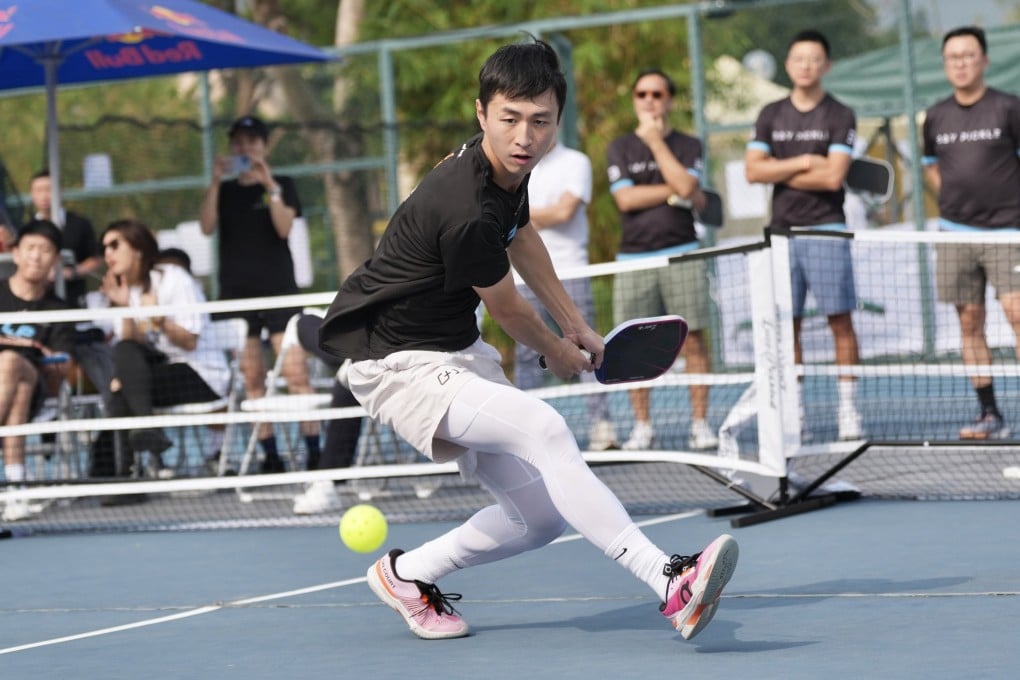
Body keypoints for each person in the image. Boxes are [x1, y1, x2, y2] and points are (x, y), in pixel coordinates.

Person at [319, 39, 737, 641]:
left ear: (556, 122)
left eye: (540, 121)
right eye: (510, 119)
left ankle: (406, 575)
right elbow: (510, 307)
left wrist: (577, 325)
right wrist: (558, 350)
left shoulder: (505, 175)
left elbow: (523, 237)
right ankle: (668, 579)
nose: (524, 136)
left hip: (454, 352)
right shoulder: (463, 205)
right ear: (482, 112)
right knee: (546, 429)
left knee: (538, 519)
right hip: (396, 362)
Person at [744, 29, 863, 441]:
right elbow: (753, 170)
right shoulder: (771, 113)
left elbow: (834, 178)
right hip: (780, 237)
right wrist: (808, 160)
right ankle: (794, 412)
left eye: (815, 59)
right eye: (799, 58)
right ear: (789, 64)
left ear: (825, 65)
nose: (806, 65)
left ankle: (848, 408)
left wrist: (785, 166)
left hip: (827, 231)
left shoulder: (840, 114)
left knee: (840, 322)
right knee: (786, 326)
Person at [198, 115, 320, 473]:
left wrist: (269, 185)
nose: (244, 148)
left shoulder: (282, 184)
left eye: (252, 142)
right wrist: (216, 181)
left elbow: (284, 228)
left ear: (265, 147)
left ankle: (314, 450)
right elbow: (206, 226)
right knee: (252, 378)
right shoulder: (225, 191)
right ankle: (269, 453)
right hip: (237, 298)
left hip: (280, 293)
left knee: (296, 374)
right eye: (238, 142)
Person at [606, 68, 718, 451]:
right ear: (635, 100)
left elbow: (688, 187)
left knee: (695, 341)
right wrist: (670, 189)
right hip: (633, 259)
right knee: (631, 345)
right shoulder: (619, 147)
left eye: (657, 93)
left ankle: (700, 424)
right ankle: (642, 427)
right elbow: (625, 200)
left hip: (682, 254)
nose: (649, 100)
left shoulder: (688, 144)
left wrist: (655, 143)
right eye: (642, 94)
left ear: (669, 99)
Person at [922, 26, 1020, 440]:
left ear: (983, 59)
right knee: (969, 322)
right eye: (952, 57)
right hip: (955, 233)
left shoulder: (1009, 108)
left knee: (1018, 316)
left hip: (1008, 231)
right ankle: (989, 414)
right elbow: (930, 163)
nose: (960, 63)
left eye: (967, 55)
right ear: (945, 64)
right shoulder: (937, 115)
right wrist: (954, 197)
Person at [89, 219, 230, 481]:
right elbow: (130, 346)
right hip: (157, 374)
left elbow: (190, 341)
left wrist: (159, 318)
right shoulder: (125, 291)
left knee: (123, 392)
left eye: (115, 245)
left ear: (138, 248)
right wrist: (124, 308)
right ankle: (134, 451)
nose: (107, 253)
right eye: (104, 247)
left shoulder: (174, 279)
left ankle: (114, 476)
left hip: (201, 374)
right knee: (125, 356)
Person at [513, 139, 617, 450]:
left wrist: (517, 217)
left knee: (588, 348)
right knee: (526, 355)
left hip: (571, 271)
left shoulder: (576, 162)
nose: (533, 130)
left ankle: (602, 426)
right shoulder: (515, 169)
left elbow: (565, 212)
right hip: (523, 278)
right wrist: (527, 218)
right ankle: (525, 432)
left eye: (543, 120)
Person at [0, 220, 75, 521]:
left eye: (45, 250)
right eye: (30, 247)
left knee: (11, 363)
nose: (36, 256)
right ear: (15, 253)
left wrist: (33, 352)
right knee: (16, 386)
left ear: (55, 260)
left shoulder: (58, 309)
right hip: (17, 394)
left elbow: (63, 363)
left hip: (38, 392)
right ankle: (17, 487)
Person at [290, 312, 363, 515]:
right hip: (363, 345)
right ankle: (354, 362)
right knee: (303, 322)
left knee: (348, 382)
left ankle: (328, 482)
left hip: (402, 350)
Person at [28, 169, 103, 308]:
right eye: (38, 190)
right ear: (31, 194)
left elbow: (95, 258)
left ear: (60, 191)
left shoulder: (79, 224)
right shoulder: (27, 229)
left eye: (49, 189)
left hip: (74, 298)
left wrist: (69, 273)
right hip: (38, 301)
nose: (44, 195)